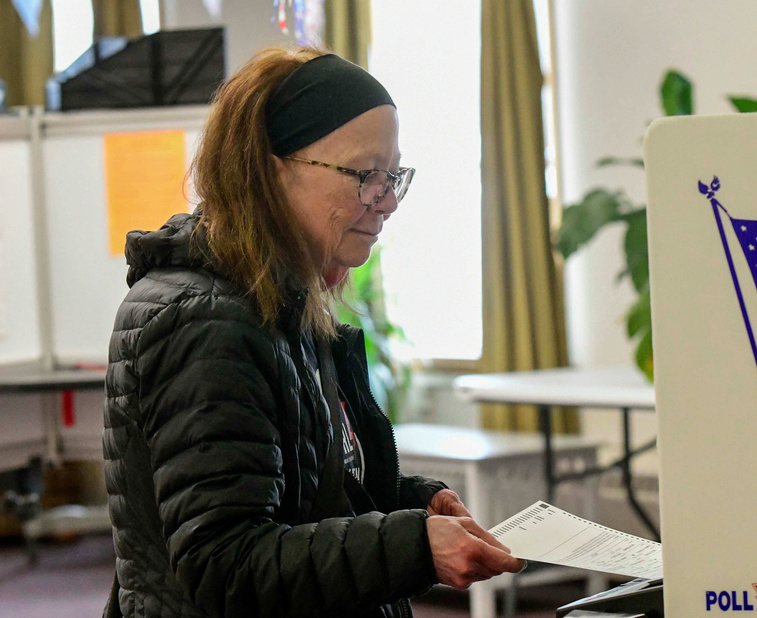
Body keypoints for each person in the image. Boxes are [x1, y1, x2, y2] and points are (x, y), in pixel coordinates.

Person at [102, 46, 525, 618]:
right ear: (271, 169)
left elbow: (302, 488)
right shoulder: (207, 322)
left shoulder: (281, 301)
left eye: (395, 175)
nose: (389, 201)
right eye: (366, 176)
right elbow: (224, 565)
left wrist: (413, 504)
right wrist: (410, 547)